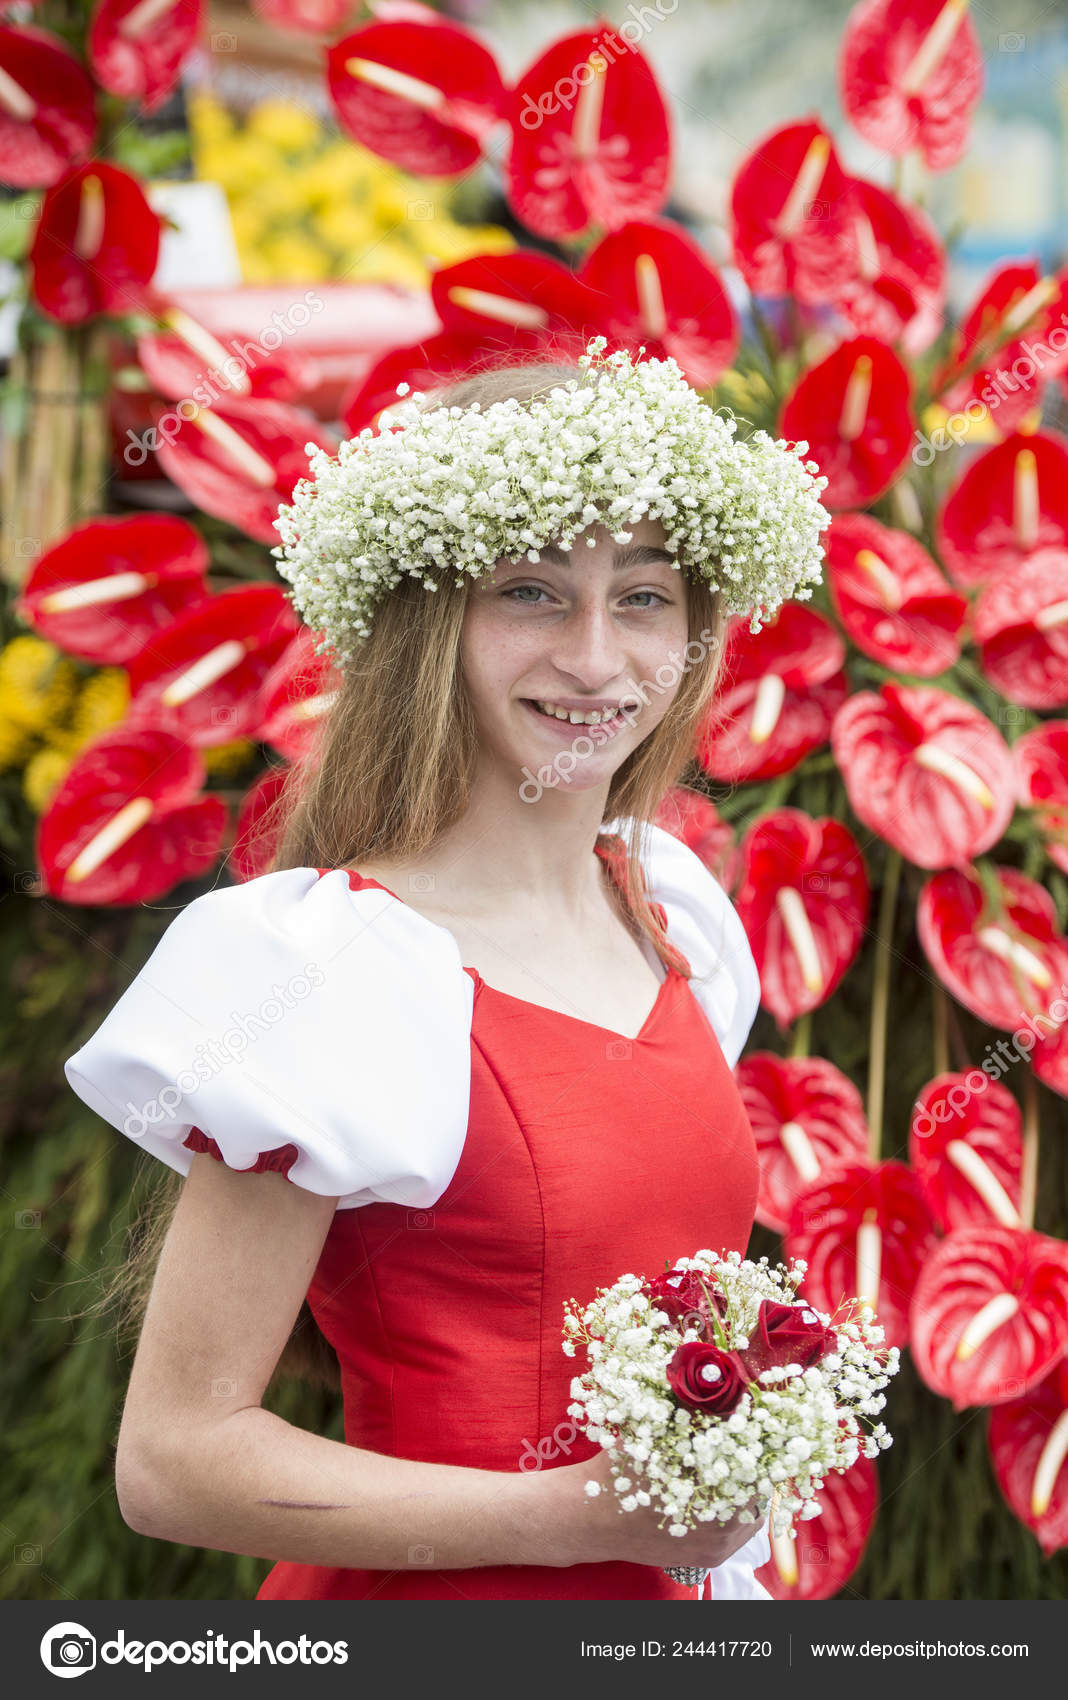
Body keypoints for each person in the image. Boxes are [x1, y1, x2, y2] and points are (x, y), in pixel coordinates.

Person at [64, 337, 829, 1600]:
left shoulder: (672, 912)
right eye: (531, 591)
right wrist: (582, 1513)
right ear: (432, 620)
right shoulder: (331, 969)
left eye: (643, 596)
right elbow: (174, 1458)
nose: (596, 659)